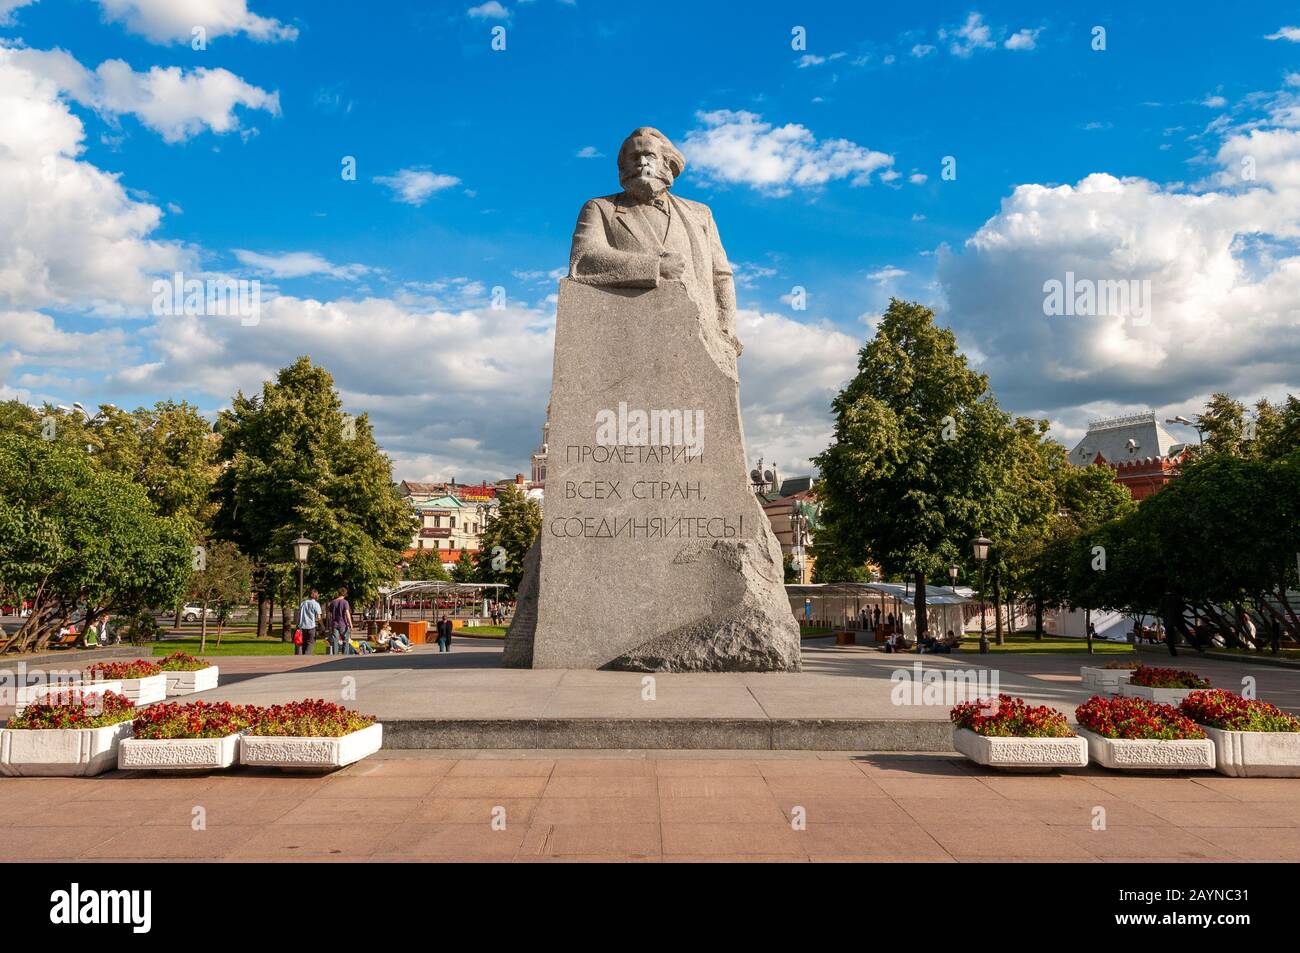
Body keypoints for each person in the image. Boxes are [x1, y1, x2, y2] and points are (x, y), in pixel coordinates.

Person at [328, 587, 353, 656]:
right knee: (345, 640)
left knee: (335, 641)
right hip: (343, 624)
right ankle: (344, 656)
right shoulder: (345, 602)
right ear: (345, 594)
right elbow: (347, 613)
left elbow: (329, 615)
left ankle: (335, 656)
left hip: (334, 624)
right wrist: (350, 624)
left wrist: (331, 624)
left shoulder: (332, 602)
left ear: (338, 593)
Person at [296, 589, 322, 656]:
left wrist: (297, 625)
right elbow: (319, 617)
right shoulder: (316, 604)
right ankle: (307, 657)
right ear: (316, 595)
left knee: (301, 643)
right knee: (310, 643)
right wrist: (323, 626)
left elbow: (298, 616)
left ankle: (299, 658)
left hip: (302, 627)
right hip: (311, 627)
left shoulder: (303, 603)